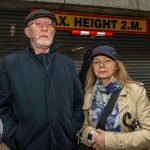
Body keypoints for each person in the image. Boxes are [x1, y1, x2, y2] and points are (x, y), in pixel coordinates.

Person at [0, 9, 84, 150]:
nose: (44, 28)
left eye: (49, 24)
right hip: (27, 145)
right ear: (28, 32)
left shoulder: (67, 63)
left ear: (54, 31)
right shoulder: (10, 63)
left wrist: (72, 128)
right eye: (38, 24)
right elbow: (2, 107)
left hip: (65, 143)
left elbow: (78, 102)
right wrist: (13, 137)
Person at [79, 44, 150, 150]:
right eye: (96, 62)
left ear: (116, 66)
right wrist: (91, 134)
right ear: (92, 67)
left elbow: (147, 134)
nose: (101, 65)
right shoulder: (89, 92)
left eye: (107, 60)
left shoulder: (135, 91)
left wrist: (109, 140)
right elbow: (83, 127)